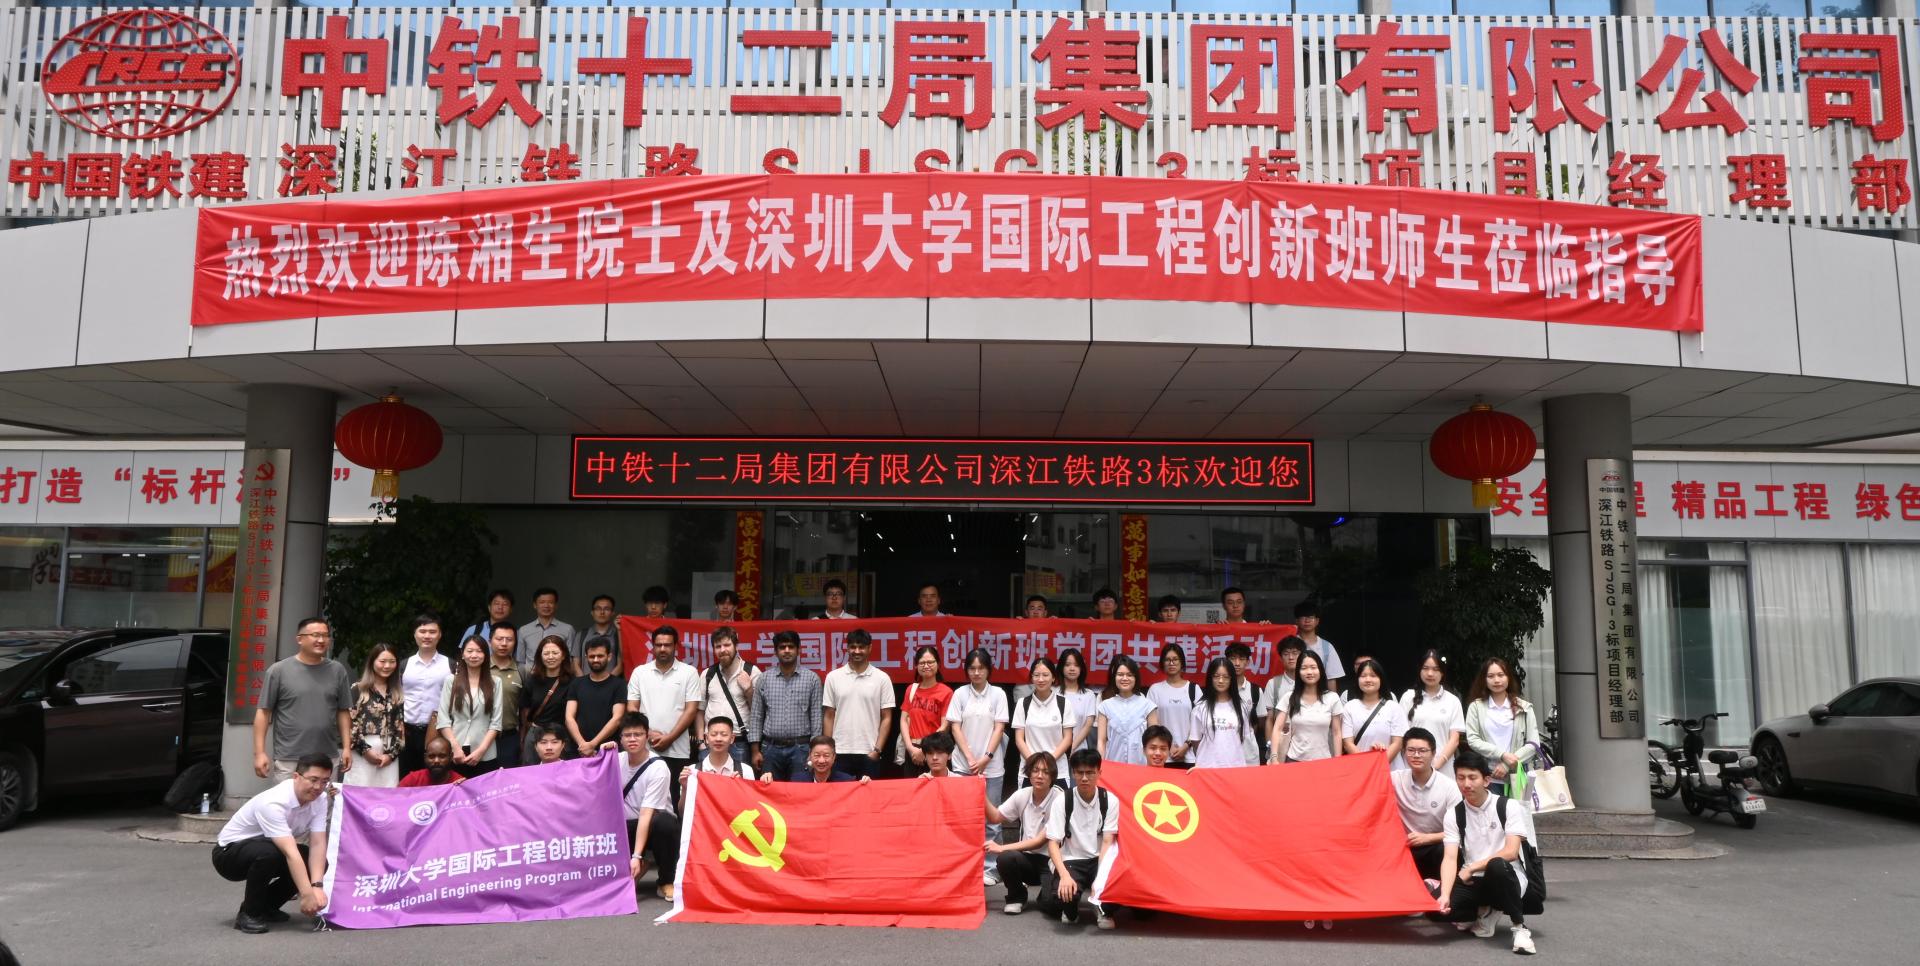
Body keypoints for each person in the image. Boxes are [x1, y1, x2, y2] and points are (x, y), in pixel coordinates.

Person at [211, 754, 334, 934]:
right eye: (313, 780)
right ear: (296, 776)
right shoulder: (274, 802)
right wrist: (307, 894)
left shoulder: (320, 799)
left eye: (324, 781)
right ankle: (248, 914)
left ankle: (266, 907)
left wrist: (317, 886)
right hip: (228, 855)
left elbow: (317, 844)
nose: (318, 787)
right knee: (269, 854)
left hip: (269, 848)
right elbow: (290, 852)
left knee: (313, 859)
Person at [1438, 751, 1540, 956]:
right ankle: (1480, 912)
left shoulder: (1508, 806)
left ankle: (1519, 928)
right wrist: (1444, 895)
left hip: (1506, 876)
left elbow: (1510, 852)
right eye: (1460, 777)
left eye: (1472, 777)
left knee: (1497, 865)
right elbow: (1449, 858)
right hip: (1473, 880)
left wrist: (1472, 867)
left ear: (1486, 780)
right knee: (1436, 912)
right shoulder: (1453, 814)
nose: (1466, 784)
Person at [252, 617, 352, 782]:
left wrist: (347, 747)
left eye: (325, 635)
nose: (321, 640)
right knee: (288, 798)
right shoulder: (278, 671)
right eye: (315, 635)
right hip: (289, 757)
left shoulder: (337, 670)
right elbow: (263, 713)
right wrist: (259, 753)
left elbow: (343, 711)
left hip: (327, 756)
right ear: (300, 639)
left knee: (324, 798)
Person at [944, 647, 1010, 883]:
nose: (976, 672)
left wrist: (986, 757)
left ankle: (991, 869)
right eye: (972, 668)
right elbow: (955, 728)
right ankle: (965, 867)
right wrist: (971, 758)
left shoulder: (998, 694)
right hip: (963, 766)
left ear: (988, 670)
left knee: (992, 820)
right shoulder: (960, 694)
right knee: (962, 819)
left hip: (992, 767)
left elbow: (999, 728)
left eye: (981, 668)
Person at [1042, 749, 1118, 928]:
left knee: (1117, 890)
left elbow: (1108, 841)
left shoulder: (1110, 800)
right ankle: (1071, 911)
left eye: (1090, 772)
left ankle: (1102, 908)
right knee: (1062, 896)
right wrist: (1064, 875)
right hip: (1072, 860)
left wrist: (1100, 879)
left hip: (1100, 859)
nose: (1084, 778)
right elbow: (1053, 842)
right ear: (1073, 773)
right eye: (1080, 772)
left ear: (1099, 773)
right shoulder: (1062, 800)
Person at [627, 624, 702, 805]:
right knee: (642, 800)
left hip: (678, 750)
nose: (662, 649)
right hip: (645, 748)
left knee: (674, 800)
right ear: (652, 646)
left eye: (667, 645)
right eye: (658, 645)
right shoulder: (640, 672)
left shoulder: (689, 672)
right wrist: (648, 734)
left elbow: (691, 710)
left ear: (676, 646)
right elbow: (631, 707)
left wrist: (669, 737)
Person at [985, 752, 1066, 915]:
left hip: (1051, 861)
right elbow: (995, 817)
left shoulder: (1060, 799)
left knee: (1053, 906)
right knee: (1006, 858)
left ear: (1052, 776)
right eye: (1035, 770)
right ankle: (1017, 897)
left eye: (1045, 772)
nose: (1040, 776)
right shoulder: (1022, 795)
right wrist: (981, 793)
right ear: (1029, 773)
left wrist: (1001, 847)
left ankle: (1046, 896)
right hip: (1027, 859)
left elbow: (1039, 841)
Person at [617, 712, 681, 902]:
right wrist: (603, 752)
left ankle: (666, 880)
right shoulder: (615, 760)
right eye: (627, 735)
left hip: (653, 825)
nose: (632, 739)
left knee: (665, 824)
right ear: (620, 739)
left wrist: (636, 855)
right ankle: (638, 866)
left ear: (647, 736)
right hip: (625, 826)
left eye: (638, 734)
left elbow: (646, 814)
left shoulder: (658, 767)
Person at [822, 628, 896, 778]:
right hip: (839, 751)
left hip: (869, 751)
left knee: (870, 793)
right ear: (847, 648)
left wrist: (877, 750)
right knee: (840, 793)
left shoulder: (882, 678)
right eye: (853, 647)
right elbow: (829, 715)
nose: (857, 651)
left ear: (870, 648)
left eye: (861, 647)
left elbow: (887, 717)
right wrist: (829, 749)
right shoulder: (833, 677)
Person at [751, 630, 823, 781]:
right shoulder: (764, 679)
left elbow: (816, 718)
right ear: (775, 651)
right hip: (770, 748)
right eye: (782, 647)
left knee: (800, 791)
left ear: (799, 650)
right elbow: (756, 716)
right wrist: (755, 751)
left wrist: (814, 751)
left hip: (801, 748)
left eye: (791, 647)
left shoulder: (812, 679)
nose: (787, 650)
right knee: (770, 791)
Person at [1391, 727, 1460, 886]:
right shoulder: (1395, 779)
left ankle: (1439, 888)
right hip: (1406, 848)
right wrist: (1377, 753)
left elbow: (1458, 830)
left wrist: (1427, 838)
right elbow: (1369, 778)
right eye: (1411, 750)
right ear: (1403, 752)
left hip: (1436, 847)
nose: (1416, 755)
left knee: (1447, 849)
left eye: (1422, 751)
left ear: (1433, 753)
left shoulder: (1449, 786)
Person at [1463, 657, 1540, 797]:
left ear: (1508, 677)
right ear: (1484, 679)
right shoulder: (1476, 707)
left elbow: (1533, 744)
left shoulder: (1524, 707)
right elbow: (1473, 739)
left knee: (1518, 811)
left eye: (1501, 675)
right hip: (1488, 776)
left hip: (1519, 775)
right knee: (1492, 811)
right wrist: (1502, 754)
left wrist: (1506, 764)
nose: (1496, 680)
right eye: (1491, 676)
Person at [437, 635, 502, 776]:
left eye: (479, 651)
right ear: (463, 654)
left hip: (485, 751)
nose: (474, 655)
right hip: (456, 749)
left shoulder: (495, 682)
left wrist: (481, 750)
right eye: (470, 651)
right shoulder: (451, 681)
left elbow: (496, 722)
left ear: (486, 655)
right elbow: (443, 719)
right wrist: (454, 746)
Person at [344, 643, 405, 787]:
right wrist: (365, 750)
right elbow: (350, 724)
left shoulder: (397, 692)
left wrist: (390, 755)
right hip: (362, 750)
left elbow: (400, 728)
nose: (387, 666)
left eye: (392, 661)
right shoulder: (358, 689)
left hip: (389, 752)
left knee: (387, 794)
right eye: (382, 661)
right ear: (372, 662)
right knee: (360, 791)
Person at [398, 614, 451, 777]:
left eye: (432, 632)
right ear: (415, 634)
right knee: (406, 777)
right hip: (407, 731)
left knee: (435, 778)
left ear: (440, 635)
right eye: (422, 631)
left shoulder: (450, 665)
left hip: (438, 732)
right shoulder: (403, 665)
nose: (427, 636)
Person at [1399, 650, 1467, 774]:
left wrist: (1437, 764)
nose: (1430, 673)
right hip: (1411, 767)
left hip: (1443, 769)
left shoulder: (1452, 701)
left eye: (1436, 669)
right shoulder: (1408, 697)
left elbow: (1454, 739)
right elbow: (1400, 735)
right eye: (1425, 668)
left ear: (1442, 672)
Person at [698, 626, 758, 767]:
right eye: (718, 646)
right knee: (709, 781)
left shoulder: (751, 672)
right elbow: (700, 710)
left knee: (739, 780)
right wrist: (701, 741)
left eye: (727, 645)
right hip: (710, 743)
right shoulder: (708, 674)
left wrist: (749, 690)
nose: (722, 650)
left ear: (736, 646)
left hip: (740, 742)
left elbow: (759, 713)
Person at [1012, 657, 1076, 785]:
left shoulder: (1064, 703)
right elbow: (1019, 739)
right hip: (1029, 770)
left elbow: (1068, 738)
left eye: (1045, 675)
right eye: (1036, 675)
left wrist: (1048, 762)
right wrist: (1034, 763)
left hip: (1057, 770)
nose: (1041, 679)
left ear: (1053, 678)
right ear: (1031, 678)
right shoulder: (1022, 703)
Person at [1271, 650, 1343, 764]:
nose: (1309, 672)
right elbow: (1277, 728)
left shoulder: (1332, 698)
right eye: (1304, 668)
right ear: (1298, 672)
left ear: (1320, 670)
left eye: (1313, 667)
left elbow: (1336, 732)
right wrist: (1274, 757)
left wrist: (1338, 759)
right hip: (1294, 761)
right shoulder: (1289, 697)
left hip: (1323, 761)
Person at [565, 636, 628, 756]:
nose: (595, 660)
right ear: (586, 657)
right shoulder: (576, 683)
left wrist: (592, 744)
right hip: (578, 749)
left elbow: (617, 718)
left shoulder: (619, 685)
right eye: (592, 656)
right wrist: (582, 745)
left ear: (609, 656)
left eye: (600, 656)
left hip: (608, 749)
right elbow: (569, 717)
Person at [1186, 658, 1251, 768]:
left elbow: (1243, 738)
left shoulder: (1241, 707)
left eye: (1226, 677)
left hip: (1235, 766)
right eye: (1216, 676)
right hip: (1207, 768)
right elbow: (1196, 741)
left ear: (1232, 679)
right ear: (1210, 678)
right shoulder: (1200, 708)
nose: (1221, 681)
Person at [899, 645, 953, 777]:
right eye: (922, 663)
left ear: (938, 664)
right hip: (912, 751)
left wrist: (925, 750)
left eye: (930, 662)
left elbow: (945, 726)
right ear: (916, 666)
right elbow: (903, 720)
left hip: (935, 751)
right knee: (912, 788)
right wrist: (910, 748)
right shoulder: (911, 690)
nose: (926, 666)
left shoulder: (946, 692)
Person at [1340, 658, 1408, 762]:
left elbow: (1398, 743)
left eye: (1373, 676)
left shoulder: (1393, 707)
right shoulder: (1349, 707)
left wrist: (1380, 765)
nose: (1368, 680)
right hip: (1360, 767)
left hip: (1390, 768)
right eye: (1363, 676)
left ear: (1381, 679)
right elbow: (1347, 743)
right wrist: (1368, 765)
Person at [521, 635, 575, 760]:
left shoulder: (573, 682)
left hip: (561, 737)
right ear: (540, 656)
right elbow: (525, 711)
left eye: (555, 653)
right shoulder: (532, 680)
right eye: (546, 653)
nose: (550, 657)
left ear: (563, 655)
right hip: (536, 736)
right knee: (532, 771)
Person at [1096, 655, 1157, 766]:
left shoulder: (1148, 705)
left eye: (1129, 675)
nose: (1125, 678)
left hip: (1141, 766)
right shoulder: (1105, 706)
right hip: (1113, 764)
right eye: (1120, 675)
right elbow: (1101, 741)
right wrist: (1100, 765)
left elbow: (1154, 741)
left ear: (1135, 678)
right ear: (1114, 677)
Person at [1145, 643, 1199, 766]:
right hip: (1162, 756)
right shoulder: (1155, 690)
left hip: (1189, 756)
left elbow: (1198, 723)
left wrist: (1186, 745)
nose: (1171, 663)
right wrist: (1168, 745)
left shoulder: (1194, 689)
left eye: (1175, 659)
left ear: (1182, 662)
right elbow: (1153, 723)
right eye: (1167, 660)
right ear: (1162, 663)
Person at [487, 622, 528, 769]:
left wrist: (522, 738)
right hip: (480, 736)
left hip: (509, 737)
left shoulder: (522, 671)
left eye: (509, 640)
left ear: (515, 643)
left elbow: (525, 708)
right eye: (499, 639)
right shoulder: (479, 668)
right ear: (490, 641)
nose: (504, 644)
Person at [1254, 636, 1306, 749]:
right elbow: (1269, 719)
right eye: (1286, 654)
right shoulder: (1273, 683)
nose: (1291, 657)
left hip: (1307, 741)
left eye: (1295, 653)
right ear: (1281, 658)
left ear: (1302, 656)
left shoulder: (1310, 682)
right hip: (1281, 742)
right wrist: (1270, 746)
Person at [760, 735, 873, 785]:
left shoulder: (846, 781)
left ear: (834, 757)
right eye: (817, 755)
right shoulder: (797, 781)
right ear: (810, 755)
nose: (821, 760)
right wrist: (767, 782)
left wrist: (867, 785)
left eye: (826, 755)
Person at [1224, 642, 1265, 765]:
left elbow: (1260, 721)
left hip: (1249, 753)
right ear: (1226, 661)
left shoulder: (1255, 691)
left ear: (1248, 662)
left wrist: (1248, 735)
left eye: (1241, 659)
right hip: (1224, 752)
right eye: (1233, 658)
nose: (1237, 663)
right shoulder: (1220, 689)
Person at [1292, 600, 1346, 691]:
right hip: (1293, 694)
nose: (1307, 620)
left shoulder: (1327, 647)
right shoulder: (1289, 645)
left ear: (1317, 621)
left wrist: (1332, 699)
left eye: (1311, 617)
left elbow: (1331, 678)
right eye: (1303, 616)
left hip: (1319, 695)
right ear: (1297, 620)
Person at [517, 588, 575, 670]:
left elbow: (570, 660)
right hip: (532, 676)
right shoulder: (524, 630)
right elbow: (520, 661)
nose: (546, 605)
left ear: (556, 605)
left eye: (550, 602)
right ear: (535, 605)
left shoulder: (568, 629)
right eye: (542, 602)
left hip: (559, 676)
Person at [1056, 648, 1099, 757]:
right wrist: (1061, 750)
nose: (1072, 668)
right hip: (1055, 750)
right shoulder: (1053, 694)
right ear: (1061, 667)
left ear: (1081, 669)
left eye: (1076, 665)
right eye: (1067, 665)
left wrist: (1071, 748)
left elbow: (1088, 725)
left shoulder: (1089, 695)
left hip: (1079, 752)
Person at [686, 716, 753, 780]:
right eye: (713, 734)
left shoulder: (745, 771)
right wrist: (685, 785)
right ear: (706, 738)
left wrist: (740, 784)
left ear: (732, 738)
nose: (718, 739)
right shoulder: (691, 771)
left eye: (724, 735)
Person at [574, 595, 622, 675]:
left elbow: (621, 665)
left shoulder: (618, 635)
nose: (602, 612)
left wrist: (608, 681)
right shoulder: (581, 635)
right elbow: (575, 665)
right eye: (598, 608)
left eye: (606, 609)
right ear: (592, 612)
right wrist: (583, 681)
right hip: (584, 682)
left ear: (612, 613)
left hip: (612, 682)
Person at [399, 737, 466, 786]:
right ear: (425, 757)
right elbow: (396, 797)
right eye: (431, 756)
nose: (436, 761)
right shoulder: (413, 780)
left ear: (451, 757)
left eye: (442, 756)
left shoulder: (459, 782)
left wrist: (463, 788)